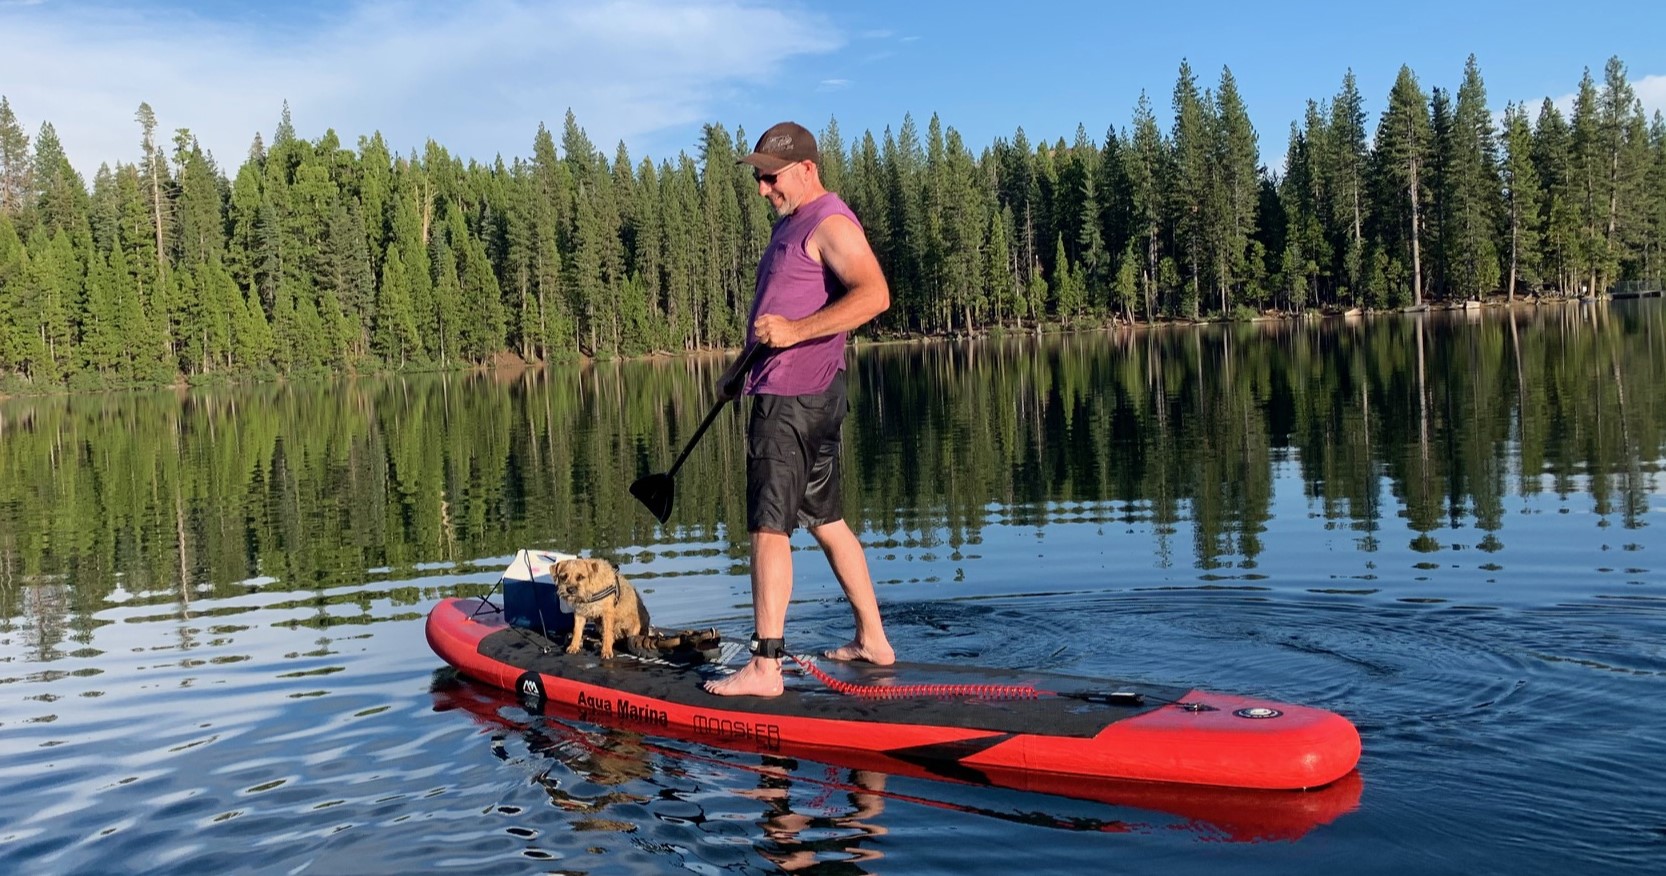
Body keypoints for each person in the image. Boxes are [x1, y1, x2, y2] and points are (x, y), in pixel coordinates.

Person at [703, 121, 895, 698]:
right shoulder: (795, 224)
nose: (763, 188)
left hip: (792, 400)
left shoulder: (828, 220)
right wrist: (739, 371)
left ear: (807, 169)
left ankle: (765, 668)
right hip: (795, 391)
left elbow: (874, 295)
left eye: (771, 177)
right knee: (827, 520)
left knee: (768, 528)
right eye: (759, 178)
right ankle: (873, 641)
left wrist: (793, 333)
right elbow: (775, 318)